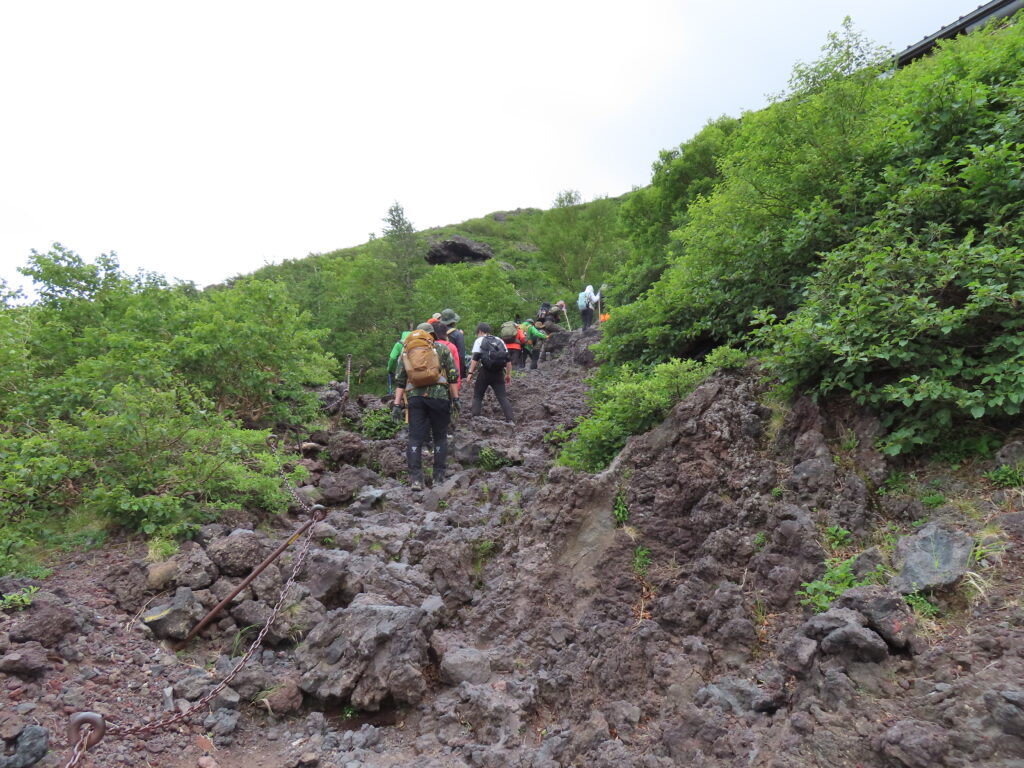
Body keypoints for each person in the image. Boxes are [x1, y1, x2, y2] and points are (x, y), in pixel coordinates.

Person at [391, 323, 460, 489]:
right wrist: (456, 399)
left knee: (415, 438)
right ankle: (438, 478)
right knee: (440, 437)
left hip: (415, 398)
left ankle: (416, 479)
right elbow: (452, 376)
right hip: (440, 398)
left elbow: (400, 380)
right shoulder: (443, 349)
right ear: (433, 335)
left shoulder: (407, 351)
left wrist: (396, 404)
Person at [465, 323, 514, 422]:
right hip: (499, 372)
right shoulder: (499, 340)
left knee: (478, 396)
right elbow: (508, 360)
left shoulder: (479, 340)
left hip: (485, 372)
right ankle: (511, 420)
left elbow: (475, 358)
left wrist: (470, 373)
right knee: (502, 397)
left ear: (480, 331)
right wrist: (508, 374)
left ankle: (476, 419)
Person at [439, 308, 468, 379]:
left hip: (439, 370)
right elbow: (461, 355)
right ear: (454, 322)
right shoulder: (458, 334)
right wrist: (462, 373)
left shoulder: (437, 333)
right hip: (454, 368)